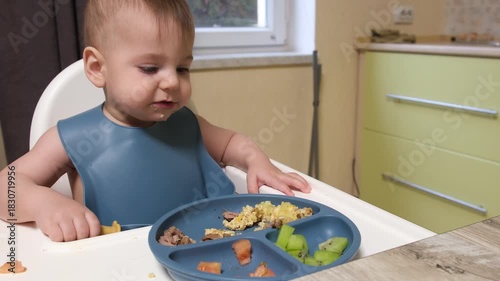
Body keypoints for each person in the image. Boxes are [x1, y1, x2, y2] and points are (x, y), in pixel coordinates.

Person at [0, 0, 311, 242]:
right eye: (150, 68)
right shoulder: (71, 139)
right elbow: (7, 187)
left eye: (182, 68)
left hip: (199, 250)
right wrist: (44, 205)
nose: (172, 82)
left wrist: (258, 161)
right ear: (97, 67)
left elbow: (231, 143)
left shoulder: (188, 125)